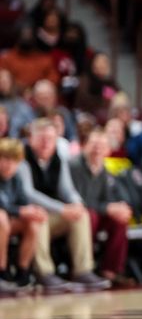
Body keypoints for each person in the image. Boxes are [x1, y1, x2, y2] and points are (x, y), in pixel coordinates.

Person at [16, 119, 110, 292]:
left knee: (81, 215)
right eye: (42, 138)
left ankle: (83, 270)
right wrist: (62, 209)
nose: (46, 143)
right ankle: (44, 273)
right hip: (25, 214)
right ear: (31, 138)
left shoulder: (58, 158)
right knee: (40, 218)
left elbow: (67, 189)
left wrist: (77, 203)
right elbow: (29, 194)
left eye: (50, 139)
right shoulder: (22, 158)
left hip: (51, 213)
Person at [69, 129, 133, 286]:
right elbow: (79, 201)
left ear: (109, 150)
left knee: (119, 220)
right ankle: (84, 269)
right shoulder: (75, 166)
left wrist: (118, 207)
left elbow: (107, 199)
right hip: (74, 215)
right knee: (90, 216)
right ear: (84, 146)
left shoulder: (103, 169)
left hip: (94, 214)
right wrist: (109, 208)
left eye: (102, 145)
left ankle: (110, 271)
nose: (98, 149)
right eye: (94, 144)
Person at [0, 138, 46, 294]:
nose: (9, 165)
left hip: (7, 224)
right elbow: (3, 206)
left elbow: (23, 202)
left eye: (14, 160)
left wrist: (33, 211)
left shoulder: (16, 178)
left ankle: (23, 272)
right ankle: (2, 272)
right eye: (5, 159)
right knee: (1, 218)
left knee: (33, 222)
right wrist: (22, 211)